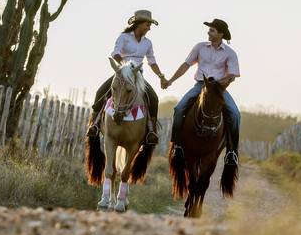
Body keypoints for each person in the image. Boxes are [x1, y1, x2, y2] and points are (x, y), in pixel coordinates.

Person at [164, 18, 241, 166]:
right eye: (209, 29)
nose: (208, 32)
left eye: (212, 30)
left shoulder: (230, 53)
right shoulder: (200, 47)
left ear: (221, 34)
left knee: (236, 114)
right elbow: (186, 65)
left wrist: (219, 84)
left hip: (218, 89)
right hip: (200, 85)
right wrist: (171, 80)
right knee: (179, 108)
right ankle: (177, 146)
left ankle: (232, 152)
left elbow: (232, 76)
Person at [86, 9, 168, 145]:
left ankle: (151, 130)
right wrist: (124, 67)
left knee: (153, 98)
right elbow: (115, 53)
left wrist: (161, 76)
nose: (149, 28)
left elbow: (152, 61)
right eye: (148, 25)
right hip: (122, 74)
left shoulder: (148, 43)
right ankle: (94, 124)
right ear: (139, 24)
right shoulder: (123, 37)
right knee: (101, 92)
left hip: (138, 76)